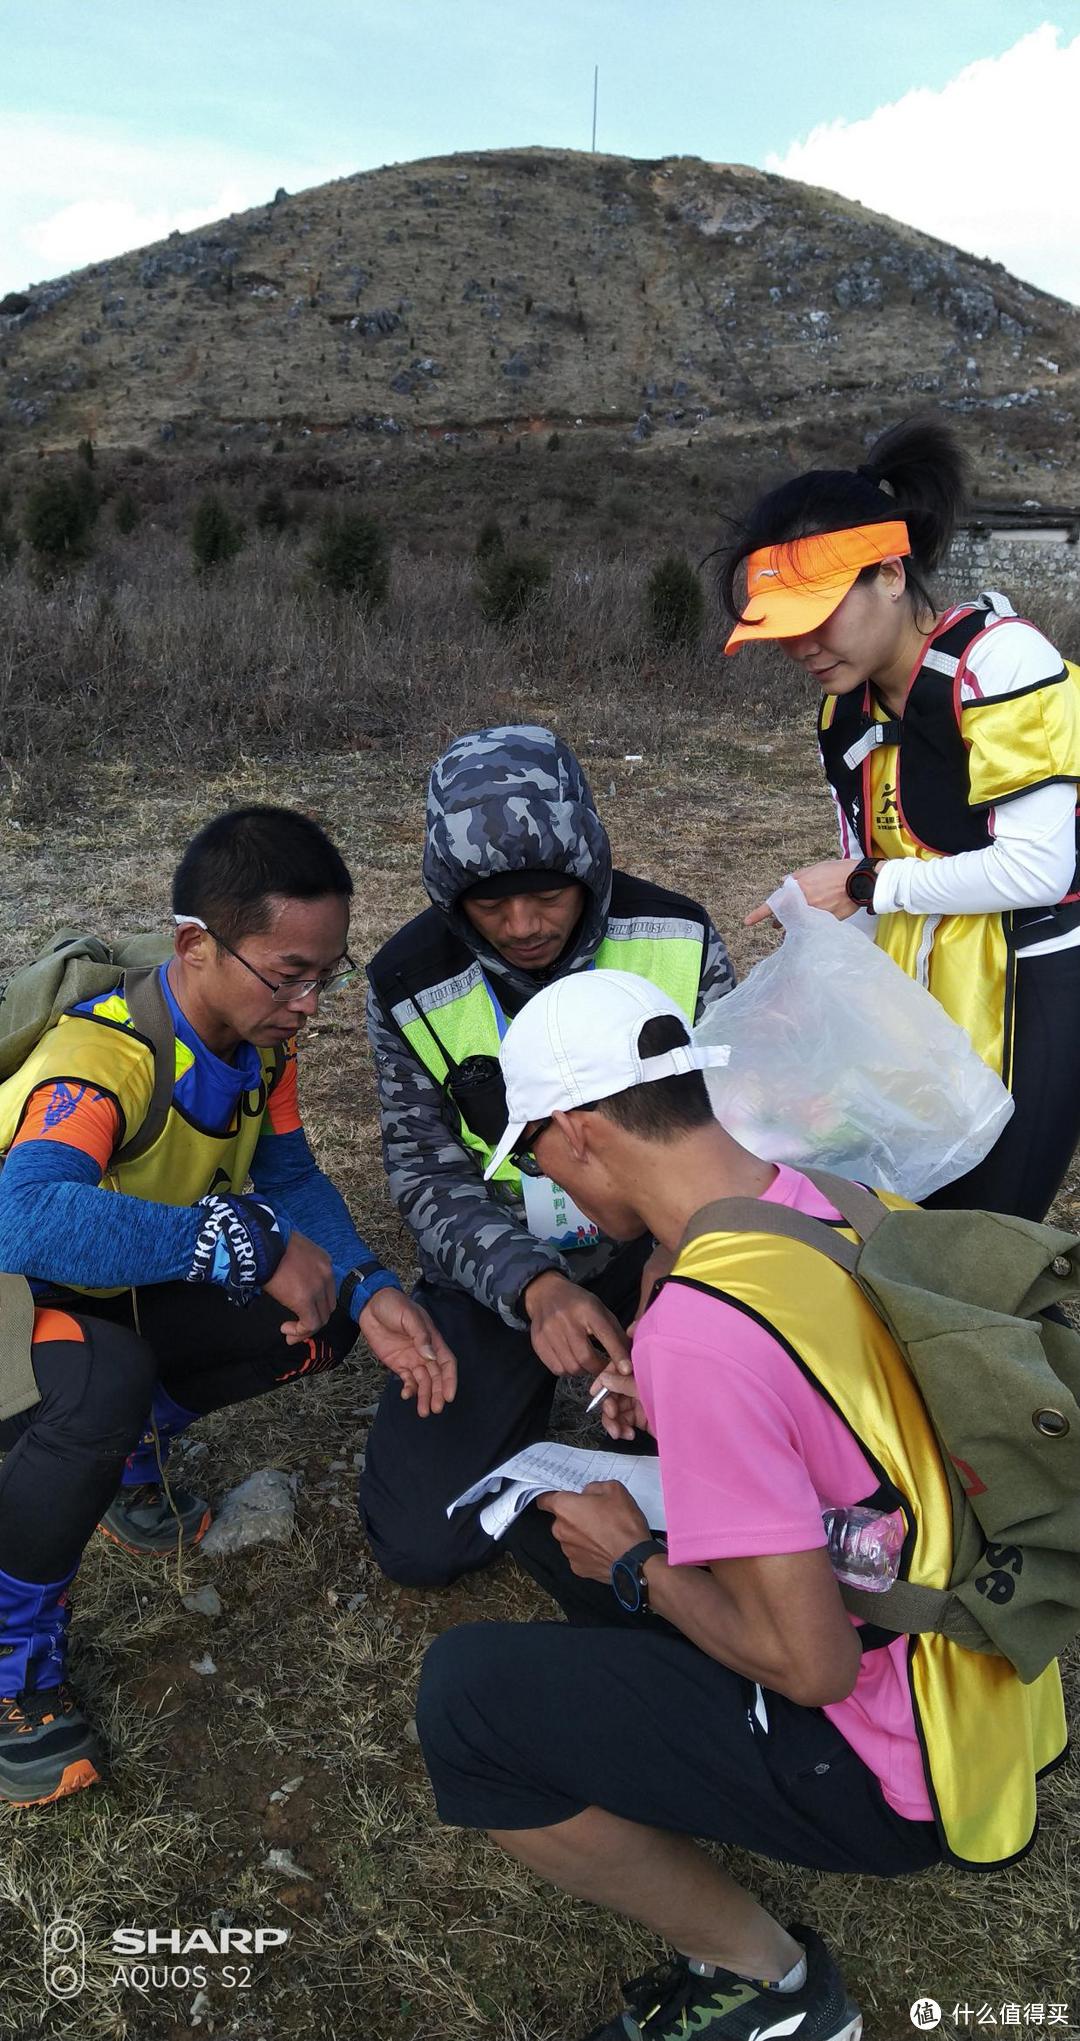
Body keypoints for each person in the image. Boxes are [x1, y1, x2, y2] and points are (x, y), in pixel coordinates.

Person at [414, 969, 1066, 2041]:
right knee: (551, 1514)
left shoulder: (708, 1332)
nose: (552, 1182)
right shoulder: (834, 1200)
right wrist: (672, 1397)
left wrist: (640, 1566)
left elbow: (817, 1667)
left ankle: (776, 1987)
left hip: (897, 1766)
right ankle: (679, 1720)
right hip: (985, 1679)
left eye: (536, 1155)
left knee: (467, 1704)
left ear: (576, 1131)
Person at [0, 805, 455, 1807]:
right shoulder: (105, 1058)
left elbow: (288, 1174)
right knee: (104, 1380)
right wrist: (236, 1242)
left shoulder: (263, 1047)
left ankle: (122, 1465)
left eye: (326, 972)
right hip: (17, 1297)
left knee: (325, 1310)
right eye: (287, 972)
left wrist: (369, 1282)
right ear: (195, 946)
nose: (309, 1001)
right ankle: (11, 1659)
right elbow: (24, 1219)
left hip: (113, 1286)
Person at [360, 724, 735, 1585]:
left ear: (590, 871)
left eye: (549, 897)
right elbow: (424, 1172)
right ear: (450, 897)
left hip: (667, 1251)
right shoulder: (405, 978)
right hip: (498, 1269)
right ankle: (538, 1428)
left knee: (722, 1476)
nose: (525, 926)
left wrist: (676, 1272)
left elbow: (740, 1125)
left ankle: (648, 1410)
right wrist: (535, 1288)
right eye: (491, 906)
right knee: (424, 1540)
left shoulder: (678, 934)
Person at [723, 417, 1080, 1220]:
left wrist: (859, 883)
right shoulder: (841, 716)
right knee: (911, 1214)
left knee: (990, 1232)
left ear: (889, 572)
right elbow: (875, 878)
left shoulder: (1000, 661)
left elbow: (1036, 870)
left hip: (1038, 978)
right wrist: (816, 951)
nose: (804, 646)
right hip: (923, 984)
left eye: (821, 614)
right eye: (786, 627)